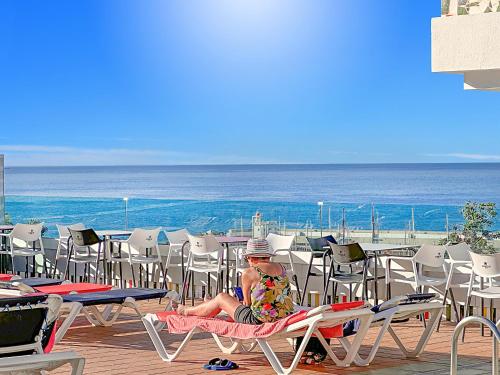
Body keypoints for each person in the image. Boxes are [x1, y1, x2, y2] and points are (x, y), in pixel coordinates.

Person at [176, 238, 294, 324]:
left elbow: (247, 304)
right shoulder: (281, 267)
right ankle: (210, 303)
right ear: (268, 256)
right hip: (284, 316)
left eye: (247, 258)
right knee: (222, 300)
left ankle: (186, 311)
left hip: (258, 320)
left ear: (250, 257)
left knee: (222, 297)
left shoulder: (250, 272)